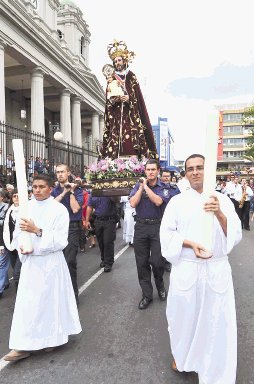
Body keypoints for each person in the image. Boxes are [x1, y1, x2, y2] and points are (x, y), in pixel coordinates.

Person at [160, 154, 242, 384]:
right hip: (187, 268)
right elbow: (167, 235)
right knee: (183, 318)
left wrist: (218, 213)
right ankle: (184, 357)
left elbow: (234, 236)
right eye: (190, 169)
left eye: (200, 168)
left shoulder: (223, 200)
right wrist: (190, 243)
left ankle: (213, 365)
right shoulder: (177, 202)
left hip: (216, 270)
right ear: (185, 173)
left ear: (208, 171)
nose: (195, 172)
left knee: (215, 319)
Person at [3, 174, 81, 362]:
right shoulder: (26, 208)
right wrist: (22, 245)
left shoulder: (59, 210)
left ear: (50, 188)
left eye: (41, 187)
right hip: (31, 263)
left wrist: (37, 231)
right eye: (34, 187)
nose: (37, 190)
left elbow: (61, 241)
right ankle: (21, 345)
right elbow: (18, 233)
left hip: (51, 263)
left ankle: (52, 338)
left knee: (49, 303)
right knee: (27, 304)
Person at [129, 159, 180, 310]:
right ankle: (147, 295)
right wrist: (140, 188)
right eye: (148, 170)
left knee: (157, 262)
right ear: (144, 171)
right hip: (141, 227)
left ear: (158, 171)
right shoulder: (138, 186)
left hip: (158, 227)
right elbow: (133, 203)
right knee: (142, 263)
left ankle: (160, 286)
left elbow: (158, 202)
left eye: (153, 169)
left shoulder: (164, 187)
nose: (150, 172)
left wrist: (146, 187)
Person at [100, 40, 158, 160]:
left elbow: (138, 97)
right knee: (116, 137)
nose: (117, 63)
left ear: (124, 60)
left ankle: (135, 159)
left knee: (131, 139)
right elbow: (108, 99)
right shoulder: (111, 79)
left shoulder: (131, 76)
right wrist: (115, 99)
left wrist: (129, 99)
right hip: (116, 116)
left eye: (119, 60)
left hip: (130, 115)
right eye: (115, 61)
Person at [51, 164, 83, 304]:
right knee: (56, 263)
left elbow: (75, 209)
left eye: (62, 172)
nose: (60, 175)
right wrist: (63, 192)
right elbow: (51, 206)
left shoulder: (78, 190)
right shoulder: (53, 191)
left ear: (68, 173)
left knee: (69, 262)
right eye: (58, 172)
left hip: (72, 228)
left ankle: (72, 297)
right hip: (56, 229)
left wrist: (70, 192)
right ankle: (59, 295)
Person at [85, 196, 118, 272]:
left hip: (110, 220)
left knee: (108, 242)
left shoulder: (109, 190)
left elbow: (116, 200)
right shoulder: (93, 193)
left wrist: (110, 193)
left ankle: (109, 263)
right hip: (98, 220)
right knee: (101, 242)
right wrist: (87, 220)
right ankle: (104, 259)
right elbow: (89, 206)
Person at [3, 190, 22, 290]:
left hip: (23, 246)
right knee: (16, 271)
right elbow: (5, 229)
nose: (16, 198)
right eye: (14, 196)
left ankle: (19, 297)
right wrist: (3, 245)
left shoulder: (27, 210)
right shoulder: (9, 211)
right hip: (11, 245)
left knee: (17, 273)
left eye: (18, 196)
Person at [0, 190, 9, 298]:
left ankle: (0, 288)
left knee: (1, 262)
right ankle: (5, 282)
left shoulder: (7, 208)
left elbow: (7, 224)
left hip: (4, 239)